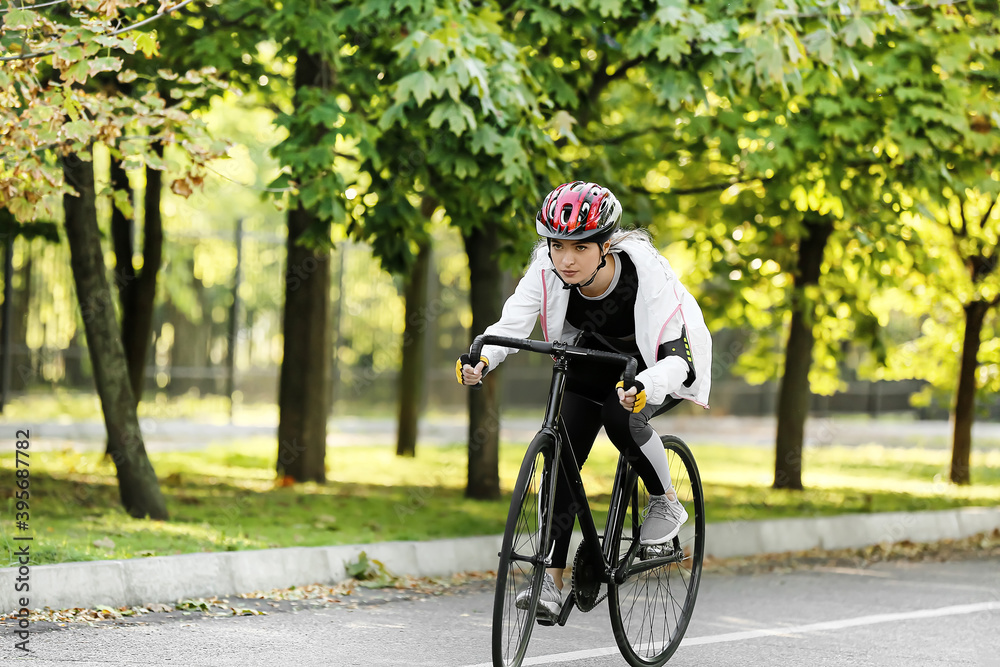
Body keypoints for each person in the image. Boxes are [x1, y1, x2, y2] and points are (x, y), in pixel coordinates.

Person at [457, 181, 712, 619]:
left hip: (652, 365)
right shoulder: (546, 269)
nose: (567, 259)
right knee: (560, 455)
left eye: (580, 247)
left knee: (620, 416)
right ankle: (550, 585)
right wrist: (483, 359)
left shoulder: (647, 276)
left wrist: (646, 387)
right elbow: (513, 324)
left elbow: (677, 358)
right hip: (591, 360)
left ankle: (665, 499)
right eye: (557, 246)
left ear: (606, 244)